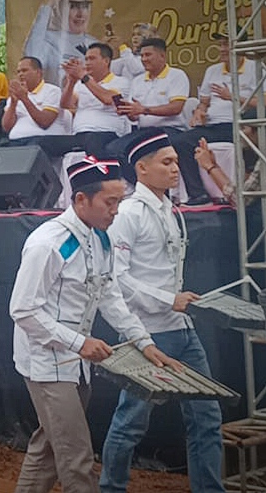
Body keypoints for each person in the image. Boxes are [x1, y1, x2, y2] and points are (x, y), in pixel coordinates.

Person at [9, 157, 179, 493]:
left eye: (119, 200)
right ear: (80, 200)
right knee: (77, 459)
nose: (116, 210)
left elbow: (110, 296)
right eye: (110, 201)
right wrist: (79, 342)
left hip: (75, 363)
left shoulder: (100, 238)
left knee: (47, 449)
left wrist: (143, 341)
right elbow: (23, 310)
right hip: (47, 364)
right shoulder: (48, 243)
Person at [100, 129, 225, 493]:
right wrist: (167, 299)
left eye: (175, 161)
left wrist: (176, 304)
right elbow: (116, 278)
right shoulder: (128, 213)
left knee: (207, 416)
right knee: (131, 421)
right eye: (167, 162)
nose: (175, 168)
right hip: (147, 333)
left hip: (183, 330)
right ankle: (111, 488)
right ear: (141, 168)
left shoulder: (169, 209)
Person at [170, 32, 257, 204]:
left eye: (226, 44)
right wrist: (198, 112)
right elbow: (204, 103)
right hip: (213, 125)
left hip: (241, 125)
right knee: (180, 141)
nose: (222, 49)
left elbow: (262, 103)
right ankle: (198, 194)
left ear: (240, 46)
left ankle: (239, 195)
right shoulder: (212, 70)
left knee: (247, 144)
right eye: (220, 45)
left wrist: (232, 96)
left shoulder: (255, 68)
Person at [24, 0, 101, 85]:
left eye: (85, 6)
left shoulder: (94, 44)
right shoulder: (47, 39)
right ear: (58, 8)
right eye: (73, 6)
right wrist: (47, 6)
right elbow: (31, 58)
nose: (80, 14)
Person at [60, 43, 131, 157]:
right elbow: (66, 104)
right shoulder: (80, 84)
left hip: (106, 134)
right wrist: (71, 82)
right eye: (86, 59)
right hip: (79, 135)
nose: (87, 62)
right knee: (42, 144)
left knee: (92, 140)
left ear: (106, 61)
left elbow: (107, 99)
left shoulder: (121, 82)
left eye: (92, 58)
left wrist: (84, 77)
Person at [115, 38, 189, 132]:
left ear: (162, 56)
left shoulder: (177, 75)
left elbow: (176, 108)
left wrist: (143, 110)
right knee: (114, 146)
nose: (144, 59)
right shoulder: (137, 81)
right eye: (142, 56)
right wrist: (130, 113)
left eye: (148, 55)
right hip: (143, 131)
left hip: (171, 129)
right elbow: (135, 117)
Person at [3, 56, 69, 150]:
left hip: (43, 142)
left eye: (24, 70)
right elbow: (6, 127)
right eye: (18, 72)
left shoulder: (52, 91)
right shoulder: (16, 94)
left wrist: (24, 99)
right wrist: (13, 103)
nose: (21, 74)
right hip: (16, 143)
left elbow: (44, 122)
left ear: (38, 72)